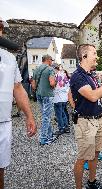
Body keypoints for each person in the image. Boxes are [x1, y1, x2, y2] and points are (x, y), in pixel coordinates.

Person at [70, 44, 102, 189]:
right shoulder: (77, 76)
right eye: (94, 53)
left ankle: (91, 182)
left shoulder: (90, 75)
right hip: (85, 122)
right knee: (83, 157)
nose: (97, 56)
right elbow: (91, 96)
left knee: (96, 153)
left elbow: (97, 96)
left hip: (98, 119)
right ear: (84, 56)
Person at [0, 17, 37, 189]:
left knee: (0, 169)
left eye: (0, 27)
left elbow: (18, 89)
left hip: (3, 122)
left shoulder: (9, 58)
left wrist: (29, 115)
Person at [31, 54, 57, 145]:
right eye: (51, 60)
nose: (52, 62)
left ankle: (50, 135)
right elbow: (52, 83)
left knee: (46, 115)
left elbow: (33, 86)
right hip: (48, 95)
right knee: (46, 117)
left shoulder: (36, 69)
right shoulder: (50, 69)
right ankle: (43, 138)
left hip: (39, 95)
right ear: (49, 60)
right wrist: (55, 82)